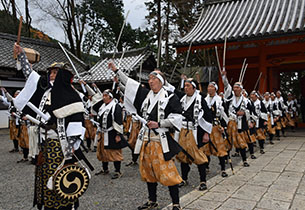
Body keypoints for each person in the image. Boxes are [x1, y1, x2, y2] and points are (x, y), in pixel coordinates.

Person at [14, 43, 88, 210]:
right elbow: (30, 75)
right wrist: (21, 56)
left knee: (62, 182)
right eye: (51, 73)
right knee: (45, 181)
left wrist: (71, 148)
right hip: (45, 145)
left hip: (62, 147)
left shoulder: (72, 95)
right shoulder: (45, 92)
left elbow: (77, 123)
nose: (52, 75)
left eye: (55, 72)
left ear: (63, 75)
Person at [109, 62, 183, 210]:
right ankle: (152, 200)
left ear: (161, 81)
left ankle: (176, 203)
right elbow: (130, 84)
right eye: (149, 78)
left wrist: (160, 123)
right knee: (148, 172)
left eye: (153, 78)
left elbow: (177, 117)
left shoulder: (170, 96)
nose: (150, 81)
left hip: (161, 141)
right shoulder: (145, 95)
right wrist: (117, 70)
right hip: (147, 140)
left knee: (168, 173)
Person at [173, 78, 212, 190]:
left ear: (194, 88)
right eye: (185, 86)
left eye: (188, 86)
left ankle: (203, 181)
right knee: (183, 155)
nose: (186, 88)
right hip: (184, 130)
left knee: (198, 156)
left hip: (196, 131)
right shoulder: (182, 99)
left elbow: (208, 116)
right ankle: (184, 179)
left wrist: (206, 133)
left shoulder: (201, 99)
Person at [93, 89, 128, 179]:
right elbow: (94, 107)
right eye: (103, 96)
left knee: (114, 152)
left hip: (112, 132)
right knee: (102, 151)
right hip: (102, 132)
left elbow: (118, 121)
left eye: (106, 96)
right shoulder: (102, 106)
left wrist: (118, 134)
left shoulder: (115, 106)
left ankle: (118, 171)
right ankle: (105, 169)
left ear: (111, 97)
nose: (104, 98)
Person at [221, 70, 252, 167]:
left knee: (241, 142)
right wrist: (224, 77)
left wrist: (244, 112)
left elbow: (251, 110)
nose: (235, 89)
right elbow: (226, 85)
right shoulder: (230, 97)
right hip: (230, 121)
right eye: (234, 87)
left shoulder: (246, 100)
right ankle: (226, 158)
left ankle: (244, 160)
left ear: (241, 89)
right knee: (228, 141)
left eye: (237, 87)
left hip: (241, 123)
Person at [204, 82, 230, 177]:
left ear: (215, 89)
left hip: (217, 126)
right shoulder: (204, 100)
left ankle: (223, 169)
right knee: (206, 148)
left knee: (220, 148)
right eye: (208, 87)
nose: (210, 89)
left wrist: (224, 126)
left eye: (212, 87)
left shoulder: (220, 100)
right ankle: (206, 167)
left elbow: (225, 114)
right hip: (206, 126)